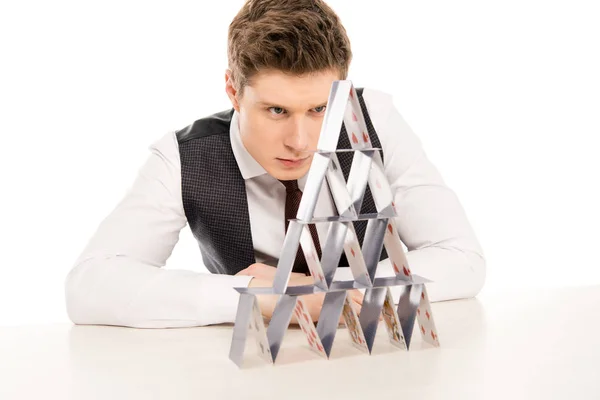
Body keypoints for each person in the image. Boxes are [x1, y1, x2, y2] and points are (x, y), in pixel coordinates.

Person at [64, 0, 486, 329]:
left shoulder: (373, 121)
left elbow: (462, 259)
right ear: (233, 90)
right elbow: (89, 287)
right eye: (277, 111)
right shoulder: (182, 157)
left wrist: (325, 291)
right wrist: (252, 294)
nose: (300, 142)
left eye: (321, 108)